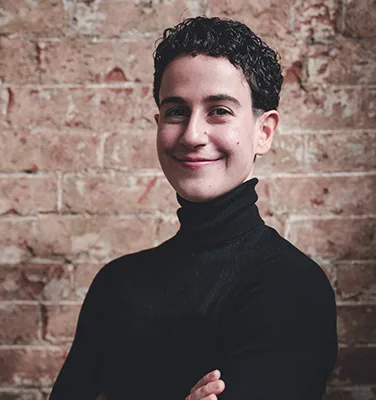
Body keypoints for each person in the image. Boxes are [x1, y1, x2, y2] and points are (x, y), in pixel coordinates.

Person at [49, 16, 338, 400]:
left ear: (263, 132)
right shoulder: (116, 284)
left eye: (219, 110)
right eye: (176, 111)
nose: (192, 135)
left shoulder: (293, 287)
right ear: (158, 124)